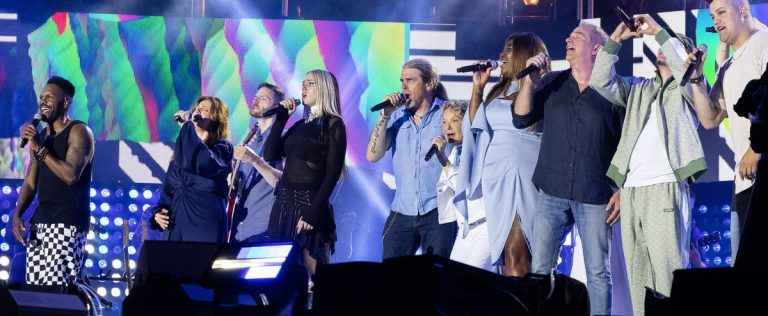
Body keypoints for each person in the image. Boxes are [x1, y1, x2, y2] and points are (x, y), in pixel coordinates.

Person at [590, 16, 708, 315]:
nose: (663, 47)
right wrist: (616, 37)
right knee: (638, 280)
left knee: (668, 277)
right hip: (631, 192)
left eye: (673, 45)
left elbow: (685, 69)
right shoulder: (640, 88)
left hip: (664, 186)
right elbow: (599, 80)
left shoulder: (690, 88)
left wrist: (657, 31)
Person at [513, 22, 624, 316]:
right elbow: (521, 119)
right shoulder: (552, 83)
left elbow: (630, 143)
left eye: (577, 36)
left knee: (598, 274)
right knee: (540, 269)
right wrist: (529, 82)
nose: (567, 38)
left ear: (597, 49)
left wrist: (623, 188)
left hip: (595, 193)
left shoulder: (615, 91)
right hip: (552, 191)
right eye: (569, 34)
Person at [457, 32, 549, 276]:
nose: (501, 54)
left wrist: (531, 80)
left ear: (523, 54)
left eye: (509, 49)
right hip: (496, 177)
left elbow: (527, 121)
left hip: (520, 175)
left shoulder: (539, 87)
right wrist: (478, 88)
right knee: (505, 255)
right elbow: (476, 127)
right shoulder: (498, 90)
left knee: (516, 251)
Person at [691, 0, 768, 262]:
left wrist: (756, 148)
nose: (716, 21)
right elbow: (710, 118)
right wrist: (696, 77)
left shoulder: (764, 41)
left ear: (743, 9)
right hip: (743, 183)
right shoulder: (729, 65)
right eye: (713, 16)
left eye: (722, 12)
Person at [366, 58, 456, 260]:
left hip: (437, 210)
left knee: (436, 278)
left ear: (430, 84)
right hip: (402, 209)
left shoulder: (446, 114)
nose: (404, 86)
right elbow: (372, 155)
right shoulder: (397, 117)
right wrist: (385, 115)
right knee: (391, 276)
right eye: (401, 81)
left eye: (410, 80)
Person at [11, 76, 94, 287]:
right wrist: (18, 212)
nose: (43, 102)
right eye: (41, 97)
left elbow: (71, 175)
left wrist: (39, 148)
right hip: (40, 223)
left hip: (67, 224)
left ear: (66, 102)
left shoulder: (79, 131)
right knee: (37, 293)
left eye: (49, 97)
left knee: (57, 291)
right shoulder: (42, 137)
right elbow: (31, 180)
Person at [263, 69, 347, 275]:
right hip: (284, 208)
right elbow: (270, 153)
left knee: (311, 275)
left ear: (324, 88)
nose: (303, 87)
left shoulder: (333, 124)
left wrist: (312, 213)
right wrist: (282, 119)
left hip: (308, 207)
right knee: (281, 275)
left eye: (310, 83)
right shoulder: (300, 124)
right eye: (303, 83)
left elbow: (332, 174)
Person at [152, 96, 233, 242]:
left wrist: (188, 126)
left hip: (205, 220)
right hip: (177, 221)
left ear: (216, 117)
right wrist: (159, 212)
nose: (197, 111)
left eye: (204, 110)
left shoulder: (223, 148)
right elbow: (169, 188)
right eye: (196, 109)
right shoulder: (182, 150)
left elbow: (203, 163)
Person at [431, 100, 491, 270]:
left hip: (485, 229)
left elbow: (466, 187)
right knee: (451, 281)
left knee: (473, 283)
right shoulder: (454, 153)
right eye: (444, 122)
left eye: (454, 121)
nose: (447, 128)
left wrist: (443, 161)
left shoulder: (480, 150)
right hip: (464, 231)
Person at [231, 83, 285, 242]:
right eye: (255, 98)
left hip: (264, 228)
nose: (256, 101)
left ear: (277, 106)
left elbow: (283, 182)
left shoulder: (283, 139)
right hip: (240, 228)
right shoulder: (250, 140)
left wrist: (254, 160)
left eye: (264, 99)